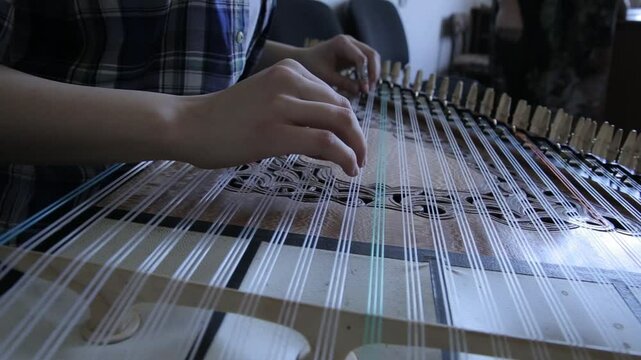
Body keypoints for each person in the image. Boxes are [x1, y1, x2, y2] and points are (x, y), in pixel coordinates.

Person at [0, 0, 380, 231]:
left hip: (195, 219)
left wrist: (292, 58)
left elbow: (199, 47)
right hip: (48, 239)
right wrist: (188, 122)